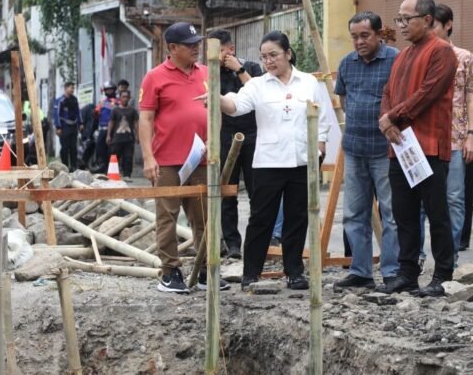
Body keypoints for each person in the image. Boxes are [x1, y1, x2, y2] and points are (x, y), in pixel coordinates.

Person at [218, 30, 331, 291]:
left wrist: (320, 146)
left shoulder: (308, 82)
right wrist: (217, 99)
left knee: (297, 217)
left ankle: (294, 272)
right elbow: (237, 105)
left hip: (302, 160)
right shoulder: (258, 84)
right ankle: (251, 273)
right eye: (264, 57)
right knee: (261, 219)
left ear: (288, 54)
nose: (268, 61)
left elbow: (321, 115)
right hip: (268, 161)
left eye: (274, 55)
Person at [139, 22, 229, 294]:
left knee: (204, 217)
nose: (196, 48)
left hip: (201, 158)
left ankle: (205, 271)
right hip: (167, 160)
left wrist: (214, 140)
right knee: (167, 217)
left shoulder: (206, 72)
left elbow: (217, 110)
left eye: (197, 43)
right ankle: (170, 272)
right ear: (173, 48)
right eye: (189, 44)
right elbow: (145, 118)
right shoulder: (155, 77)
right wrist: (148, 157)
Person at [378, 0, 457, 298]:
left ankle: (443, 274)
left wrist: (392, 118)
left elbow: (428, 93)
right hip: (401, 147)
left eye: (405, 19)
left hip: (428, 145)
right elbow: (388, 91)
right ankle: (407, 273)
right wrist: (386, 118)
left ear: (426, 20)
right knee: (404, 213)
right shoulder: (403, 55)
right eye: (398, 19)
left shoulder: (442, 52)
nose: (400, 25)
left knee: (436, 213)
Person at [333, 11, 400, 290]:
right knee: (354, 213)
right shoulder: (347, 63)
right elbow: (344, 99)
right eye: (354, 37)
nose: (359, 42)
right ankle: (360, 271)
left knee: (391, 213)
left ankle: (393, 271)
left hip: (385, 149)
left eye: (364, 35)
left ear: (378, 34)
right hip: (355, 148)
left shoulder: (396, 60)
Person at [207, 29, 264, 260]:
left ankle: (257, 242)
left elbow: (260, 94)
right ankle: (232, 245)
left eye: (221, 51)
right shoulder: (210, 72)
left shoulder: (251, 68)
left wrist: (238, 69)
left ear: (230, 49)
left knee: (256, 192)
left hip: (252, 135)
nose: (218, 57)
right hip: (224, 135)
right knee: (226, 192)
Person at [430, 4, 473, 265]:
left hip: (457, 137)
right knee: (423, 200)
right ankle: (418, 255)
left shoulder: (465, 57)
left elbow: (472, 96)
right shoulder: (420, 55)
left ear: (448, 24)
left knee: (454, 197)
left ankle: (450, 257)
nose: (431, 31)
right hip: (426, 138)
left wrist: (471, 133)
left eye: (435, 26)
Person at [107, 89, 138, 182]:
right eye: (123, 97)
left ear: (129, 98)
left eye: (126, 97)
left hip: (129, 139)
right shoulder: (115, 110)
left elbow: (136, 123)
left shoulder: (132, 111)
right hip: (117, 139)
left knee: (128, 158)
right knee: (114, 156)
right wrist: (108, 135)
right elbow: (111, 123)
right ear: (120, 98)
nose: (125, 99)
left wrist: (137, 135)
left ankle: (127, 175)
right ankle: (113, 174)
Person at [53, 82, 83, 171]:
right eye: (71, 88)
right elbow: (56, 114)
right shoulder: (60, 100)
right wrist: (58, 127)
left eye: (73, 88)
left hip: (73, 127)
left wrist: (81, 123)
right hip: (64, 127)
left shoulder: (74, 99)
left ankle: (74, 166)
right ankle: (65, 166)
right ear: (66, 88)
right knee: (65, 148)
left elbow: (78, 112)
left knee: (73, 147)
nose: (72, 90)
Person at [93, 82, 119, 173]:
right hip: (103, 129)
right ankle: (104, 166)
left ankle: (112, 168)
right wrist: (95, 113)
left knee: (113, 150)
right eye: (107, 90)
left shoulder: (118, 102)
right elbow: (96, 114)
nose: (109, 91)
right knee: (100, 149)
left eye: (110, 89)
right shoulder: (102, 102)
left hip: (114, 130)